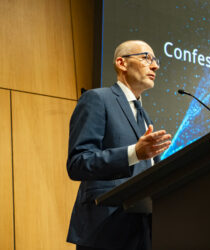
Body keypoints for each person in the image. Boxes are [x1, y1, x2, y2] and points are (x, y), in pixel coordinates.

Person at [66, 40, 172, 250]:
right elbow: (78, 163)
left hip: (144, 232)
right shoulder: (97, 99)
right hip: (106, 231)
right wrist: (133, 153)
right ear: (122, 63)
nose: (155, 66)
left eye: (155, 60)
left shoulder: (145, 116)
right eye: (146, 58)